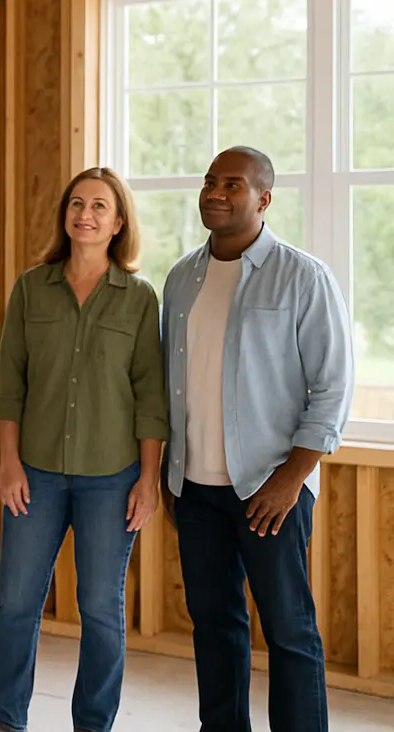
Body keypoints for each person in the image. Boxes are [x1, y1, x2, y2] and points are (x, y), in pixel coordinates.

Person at [162, 147, 352, 732]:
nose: (215, 193)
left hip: (271, 491)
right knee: (215, 627)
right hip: (195, 490)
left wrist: (290, 480)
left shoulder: (304, 276)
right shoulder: (181, 278)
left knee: (289, 630)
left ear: (264, 198)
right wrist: (170, 474)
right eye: (209, 181)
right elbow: (175, 384)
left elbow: (332, 389)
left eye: (233, 184)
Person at [0, 168, 166, 732]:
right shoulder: (31, 288)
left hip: (112, 476)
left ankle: (93, 724)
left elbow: (150, 397)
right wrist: (8, 464)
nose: (86, 214)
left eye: (99, 206)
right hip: (34, 472)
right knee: (16, 601)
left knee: (101, 609)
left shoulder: (139, 298)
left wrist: (148, 479)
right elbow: (10, 386)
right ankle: (4, 720)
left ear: (119, 222)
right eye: (77, 203)